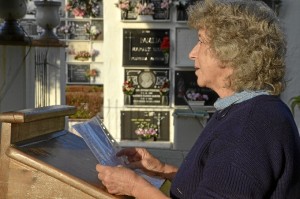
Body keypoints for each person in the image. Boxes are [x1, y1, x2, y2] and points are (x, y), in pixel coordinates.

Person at [96, 0, 300, 198]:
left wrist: (134, 187)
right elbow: (217, 183)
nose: (192, 53)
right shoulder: (247, 111)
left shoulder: (250, 124)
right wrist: (162, 170)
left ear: (231, 53)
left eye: (201, 41)